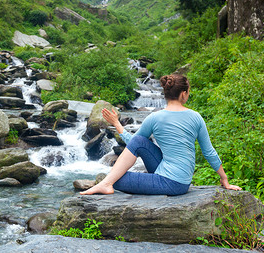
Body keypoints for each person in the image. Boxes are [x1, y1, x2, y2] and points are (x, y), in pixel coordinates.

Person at [80, 74, 241, 196]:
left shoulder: (154, 117)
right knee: (138, 145)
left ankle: (106, 183)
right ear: (184, 93)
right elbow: (209, 152)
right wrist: (224, 179)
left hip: (172, 183)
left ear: (165, 94)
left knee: (115, 178)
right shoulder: (196, 117)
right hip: (178, 179)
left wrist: (116, 124)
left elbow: (133, 143)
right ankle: (107, 183)